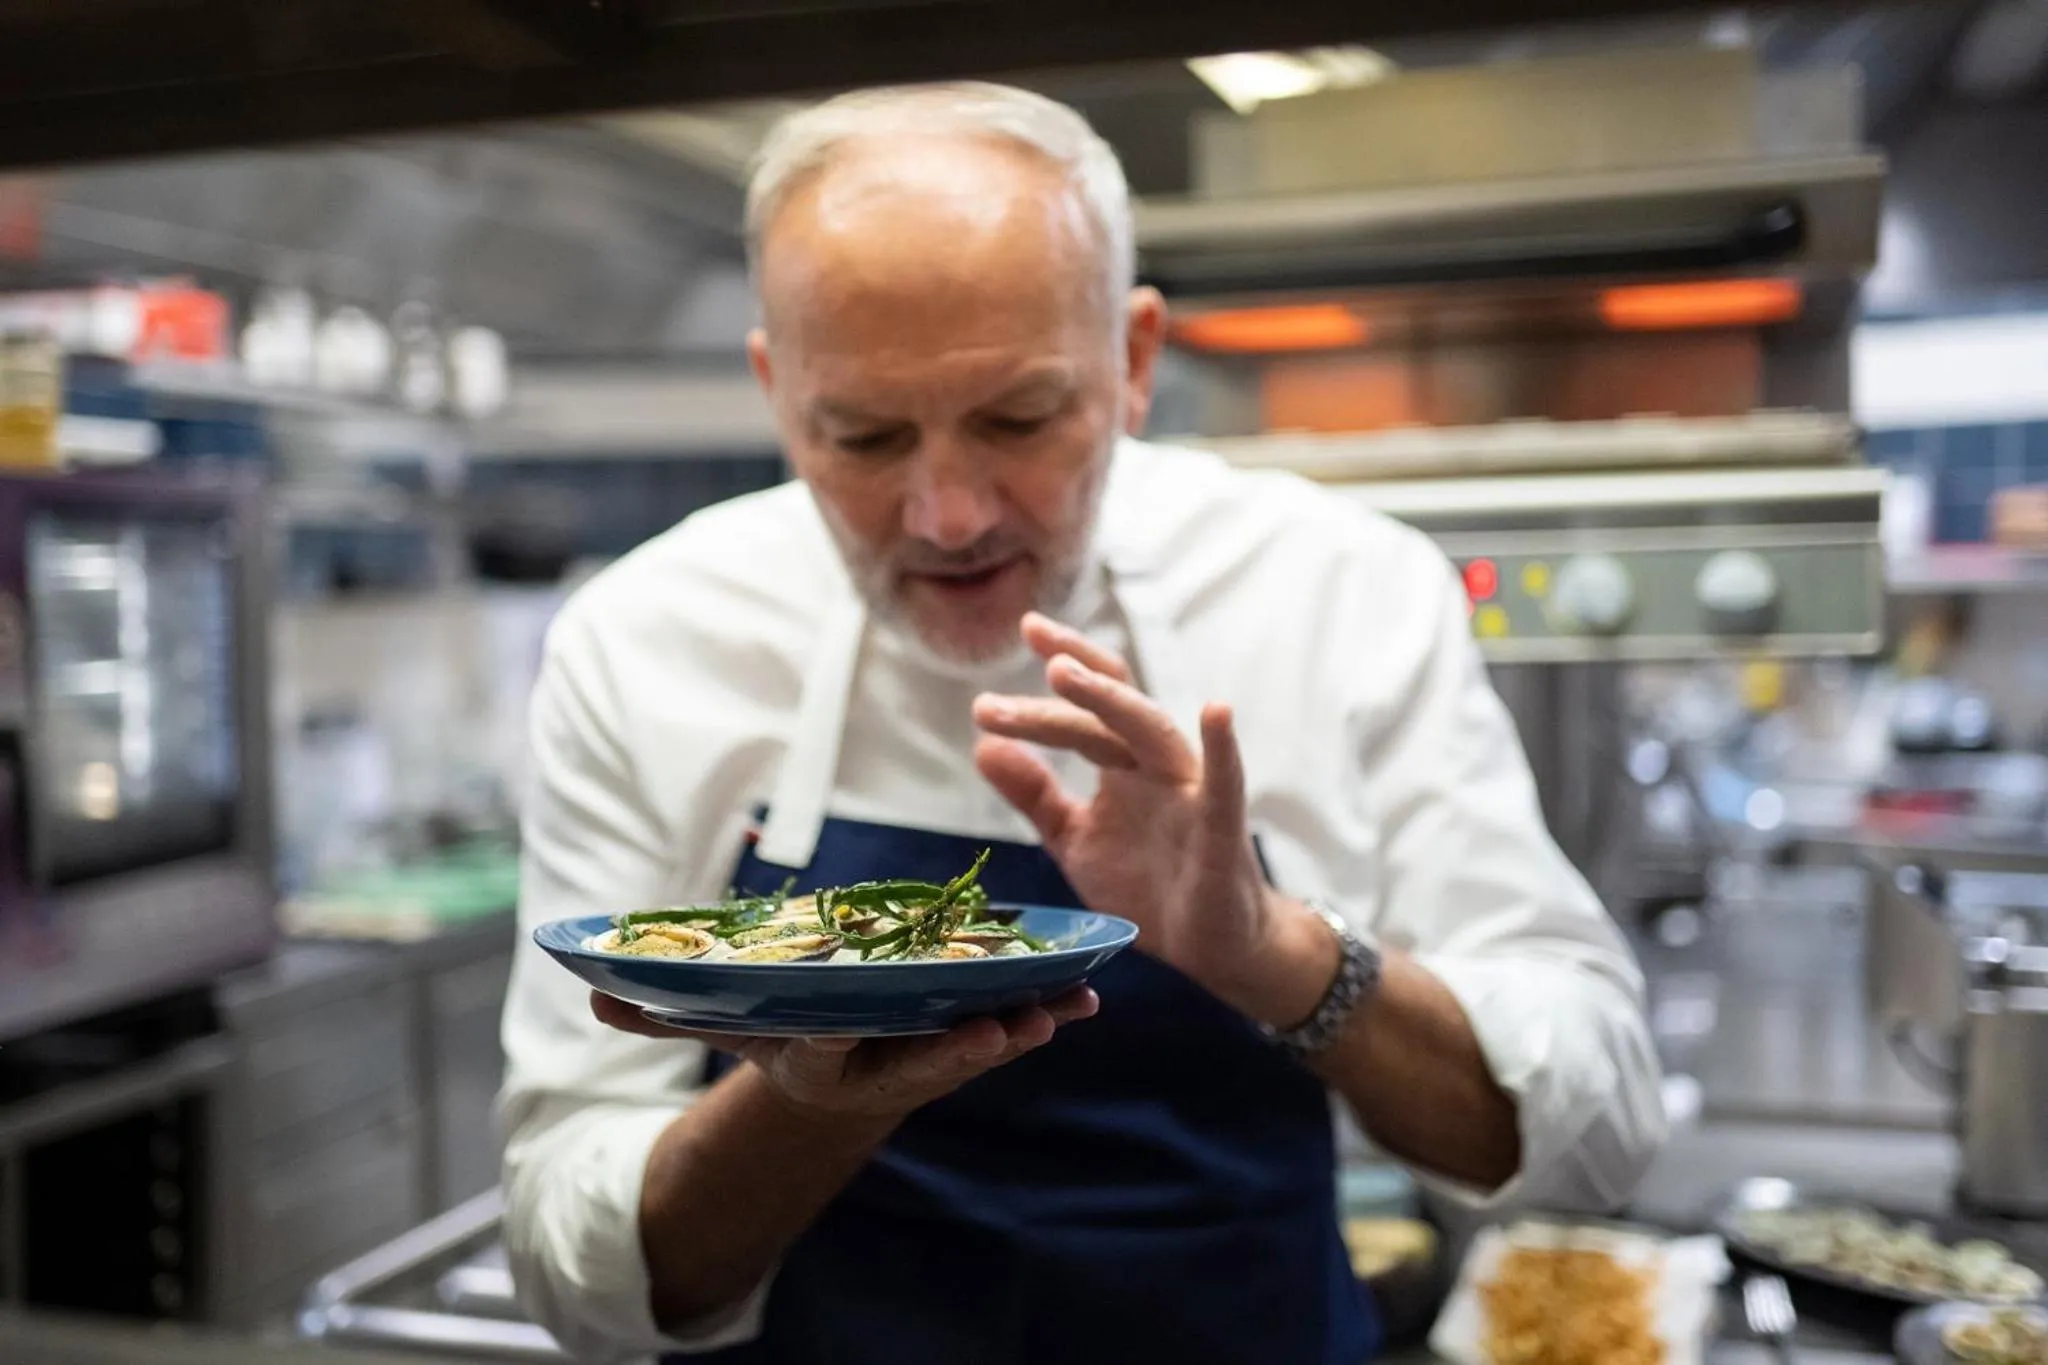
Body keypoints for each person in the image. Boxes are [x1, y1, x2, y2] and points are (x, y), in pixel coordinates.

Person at [497, 81, 1666, 1365]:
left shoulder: (1334, 589)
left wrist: (1275, 955)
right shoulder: (648, 634)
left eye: (1017, 418)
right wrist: (808, 1108)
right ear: (778, 392)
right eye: (864, 436)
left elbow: (1595, 1120)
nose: (947, 514)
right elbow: (574, 1265)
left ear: (1133, 360)